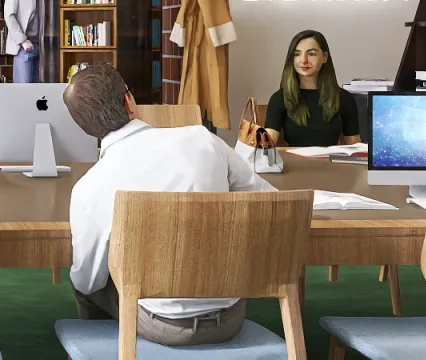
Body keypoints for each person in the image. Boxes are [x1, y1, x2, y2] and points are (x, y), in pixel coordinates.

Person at [64, 63, 274, 346]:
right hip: (230, 317)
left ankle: (108, 349)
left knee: (84, 284)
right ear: (129, 102)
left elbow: (88, 281)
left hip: (162, 325)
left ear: (84, 127)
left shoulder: (89, 188)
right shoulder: (201, 139)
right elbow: (267, 199)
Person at [264, 30, 361, 147]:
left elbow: (354, 146)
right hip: (294, 163)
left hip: (330, 163)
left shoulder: (344, 98)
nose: (303, 60)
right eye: (297, 54)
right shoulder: (280, 98)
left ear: (324, 57)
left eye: (311, 54)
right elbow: (268, 144)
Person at [4, 0, 42, 83]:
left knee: (41, 94)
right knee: (23, 89)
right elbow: (9, 15)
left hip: (45, 47)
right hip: (25, 45)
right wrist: (23, 40)